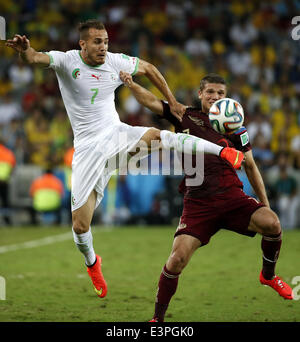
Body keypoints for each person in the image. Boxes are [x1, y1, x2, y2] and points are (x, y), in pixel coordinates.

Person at [6, 20, 243, 299]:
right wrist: (25, 50)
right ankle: (93, 263)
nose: (103, 47)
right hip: (87, 149)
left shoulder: (116, 61)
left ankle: (223, 151)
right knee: (80, 226)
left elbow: (150, 69)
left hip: (116, 134)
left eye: (105, 41)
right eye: (96, 42)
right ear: (82, 44)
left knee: (160, 135)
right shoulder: (66, 61)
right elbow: (35, 57)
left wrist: (173, 101)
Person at [119, 71, 294, 322]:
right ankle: (157, 319)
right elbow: (150, 101)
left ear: (226, 97)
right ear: (200, 93)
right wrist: (131, 83)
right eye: (210, 92)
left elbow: (251, 166)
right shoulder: (184, 114)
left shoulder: (236, 127)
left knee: (273, 223)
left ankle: (268, 275)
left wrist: (265, 205)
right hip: (198, 202)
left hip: (231, 197)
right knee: (176, 260)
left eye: (220, 93)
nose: (215, 96)